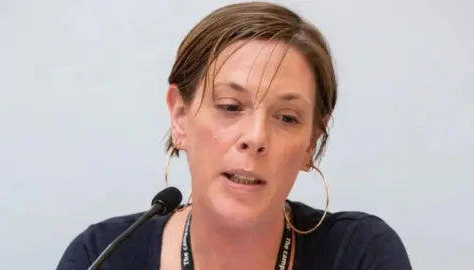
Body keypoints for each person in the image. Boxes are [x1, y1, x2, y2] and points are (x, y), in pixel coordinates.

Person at [57, 2, 412, 269]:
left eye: (287, 117)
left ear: (311, 144)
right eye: (230, 106)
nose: (256, 138)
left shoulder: (360, 254)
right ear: (180, 117)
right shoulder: (102, 256)